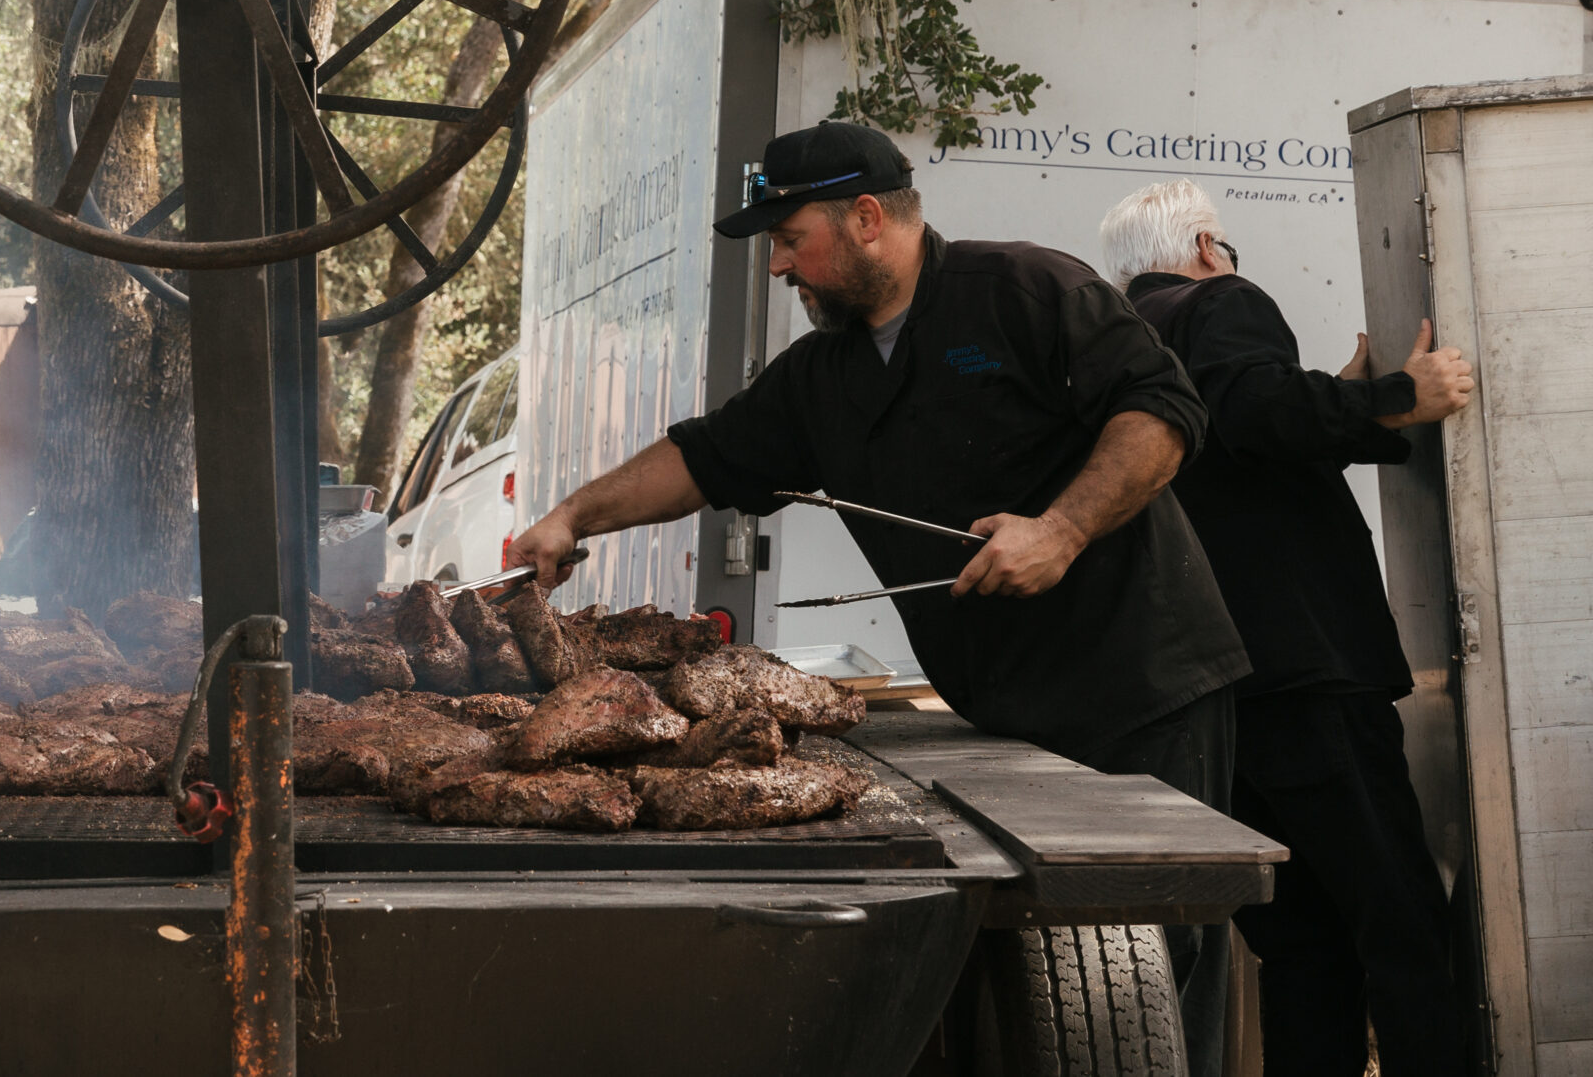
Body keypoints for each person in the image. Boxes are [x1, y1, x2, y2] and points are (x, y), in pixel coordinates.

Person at [511, 120, 1251, 1073]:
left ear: (867, 217)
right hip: (1008, 714)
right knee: (1024, 988)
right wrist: (573, 515)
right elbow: (704, 458)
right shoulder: (825, 374)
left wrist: (1061, 529)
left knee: (1145, 980)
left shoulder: (1026, 290)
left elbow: (1163, 411)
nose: (780, 267)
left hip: (1144, 686)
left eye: (790, 239)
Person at [1102, 179, 1472, 1076]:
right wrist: (1394, 395)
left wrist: (1333, 400)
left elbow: (1235, 440)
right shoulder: (1222, 297)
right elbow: (1256, 410)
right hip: (1307, 672)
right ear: (1201, 245)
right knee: (1403, 923)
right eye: (1226, 246)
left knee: (1304, 944)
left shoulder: (1120, 340)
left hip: (1213, 694)